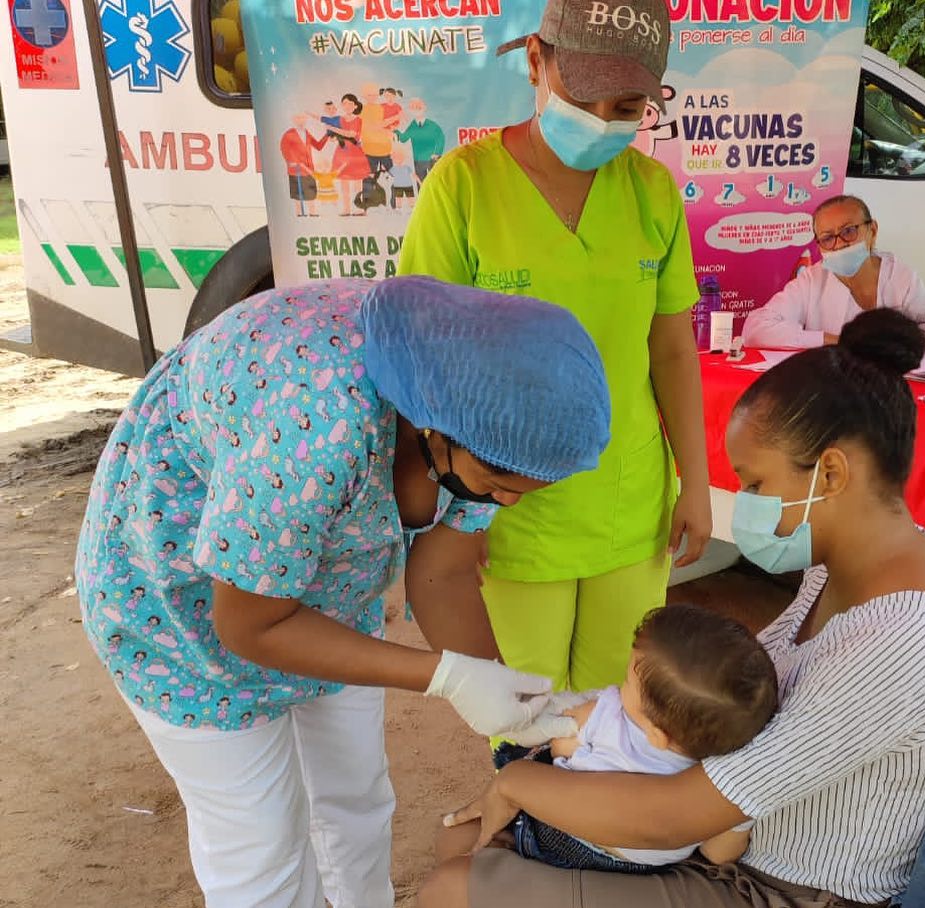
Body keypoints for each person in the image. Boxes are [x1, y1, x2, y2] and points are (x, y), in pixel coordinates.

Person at [421, 308, 925, 908]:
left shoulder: (901, 646)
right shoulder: (855, 567)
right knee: (463, 844)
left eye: (754, 484)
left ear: (829, 473)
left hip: (788, 888)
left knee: (452, 890)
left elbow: (676, 816)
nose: (744, 503)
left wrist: (518, 781)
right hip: (733, 840)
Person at [75, 276, 612, 908]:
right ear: (430, 426)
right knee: (261, 847)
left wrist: (510, 696)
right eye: (498, 483)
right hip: (186, 614)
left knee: (356, 797)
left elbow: (442, 574)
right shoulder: (315, 421)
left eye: (524, 488)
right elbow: (250, 625)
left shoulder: (488, 410)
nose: (509, 501)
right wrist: (445, 677)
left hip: (328, 590)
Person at [399, 0, 711, 704]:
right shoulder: (463, 185)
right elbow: (424, 359)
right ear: (536, 62)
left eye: (625, 106)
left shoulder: (652, 191)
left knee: (618, 706)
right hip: (504, 506)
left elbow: (669, 349)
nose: (601, 120)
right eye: (582, 97)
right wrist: (454, 500)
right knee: (523, 706)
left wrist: (694, 481)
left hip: (630, 502)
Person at [435, 603, 778, 879]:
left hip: (561, 837)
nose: (618, 687)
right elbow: (719, 852)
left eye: (627, 683)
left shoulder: (608, 716)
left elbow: (561, 748)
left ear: (658, 736)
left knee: (462, 835)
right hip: (643, 871)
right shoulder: (724, 779)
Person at [742, 195, 925, 348]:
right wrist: (835, 341)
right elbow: (755, 330)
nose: (839, 244)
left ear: (873, 231)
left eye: (848, 231)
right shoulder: (811, 280)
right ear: (819, 246)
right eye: (828, 238)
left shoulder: (902, 278)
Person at [328, 93, 373, 216]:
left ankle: (359, 208)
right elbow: (333, 138)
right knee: (344, 183)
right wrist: (331, 136)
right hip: (342, 153)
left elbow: (351, 134)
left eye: (350, 103)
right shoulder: (339, 119)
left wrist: (333, 129)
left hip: (355, 154)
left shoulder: (358, 120)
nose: (347, 106)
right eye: (344, 103)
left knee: (357, 183)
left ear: (355, 106)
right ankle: (346, 208)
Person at [393, 97, 445, 183]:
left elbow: (440, 138)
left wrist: (437, 153)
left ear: (424, 108)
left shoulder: (432, 125)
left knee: (435, 181)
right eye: (413, 107)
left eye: (418, 107)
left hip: (431, 159)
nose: (416, 109)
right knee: (420, 182)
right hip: (418, 160)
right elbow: (403, 138)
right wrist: (395, 131)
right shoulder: (412, 126)